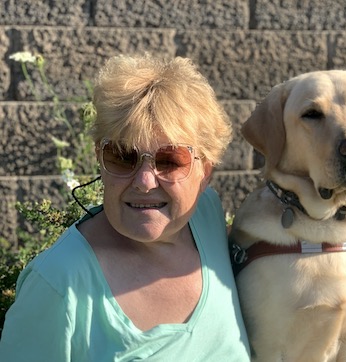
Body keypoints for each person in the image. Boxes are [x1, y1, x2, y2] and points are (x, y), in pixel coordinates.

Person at [0, 54, 250, 361]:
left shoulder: (205, 217)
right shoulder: (58, 284)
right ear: (99, 160)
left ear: (205, 171)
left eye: (170, 160)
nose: (144, 181)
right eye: (122, 156)